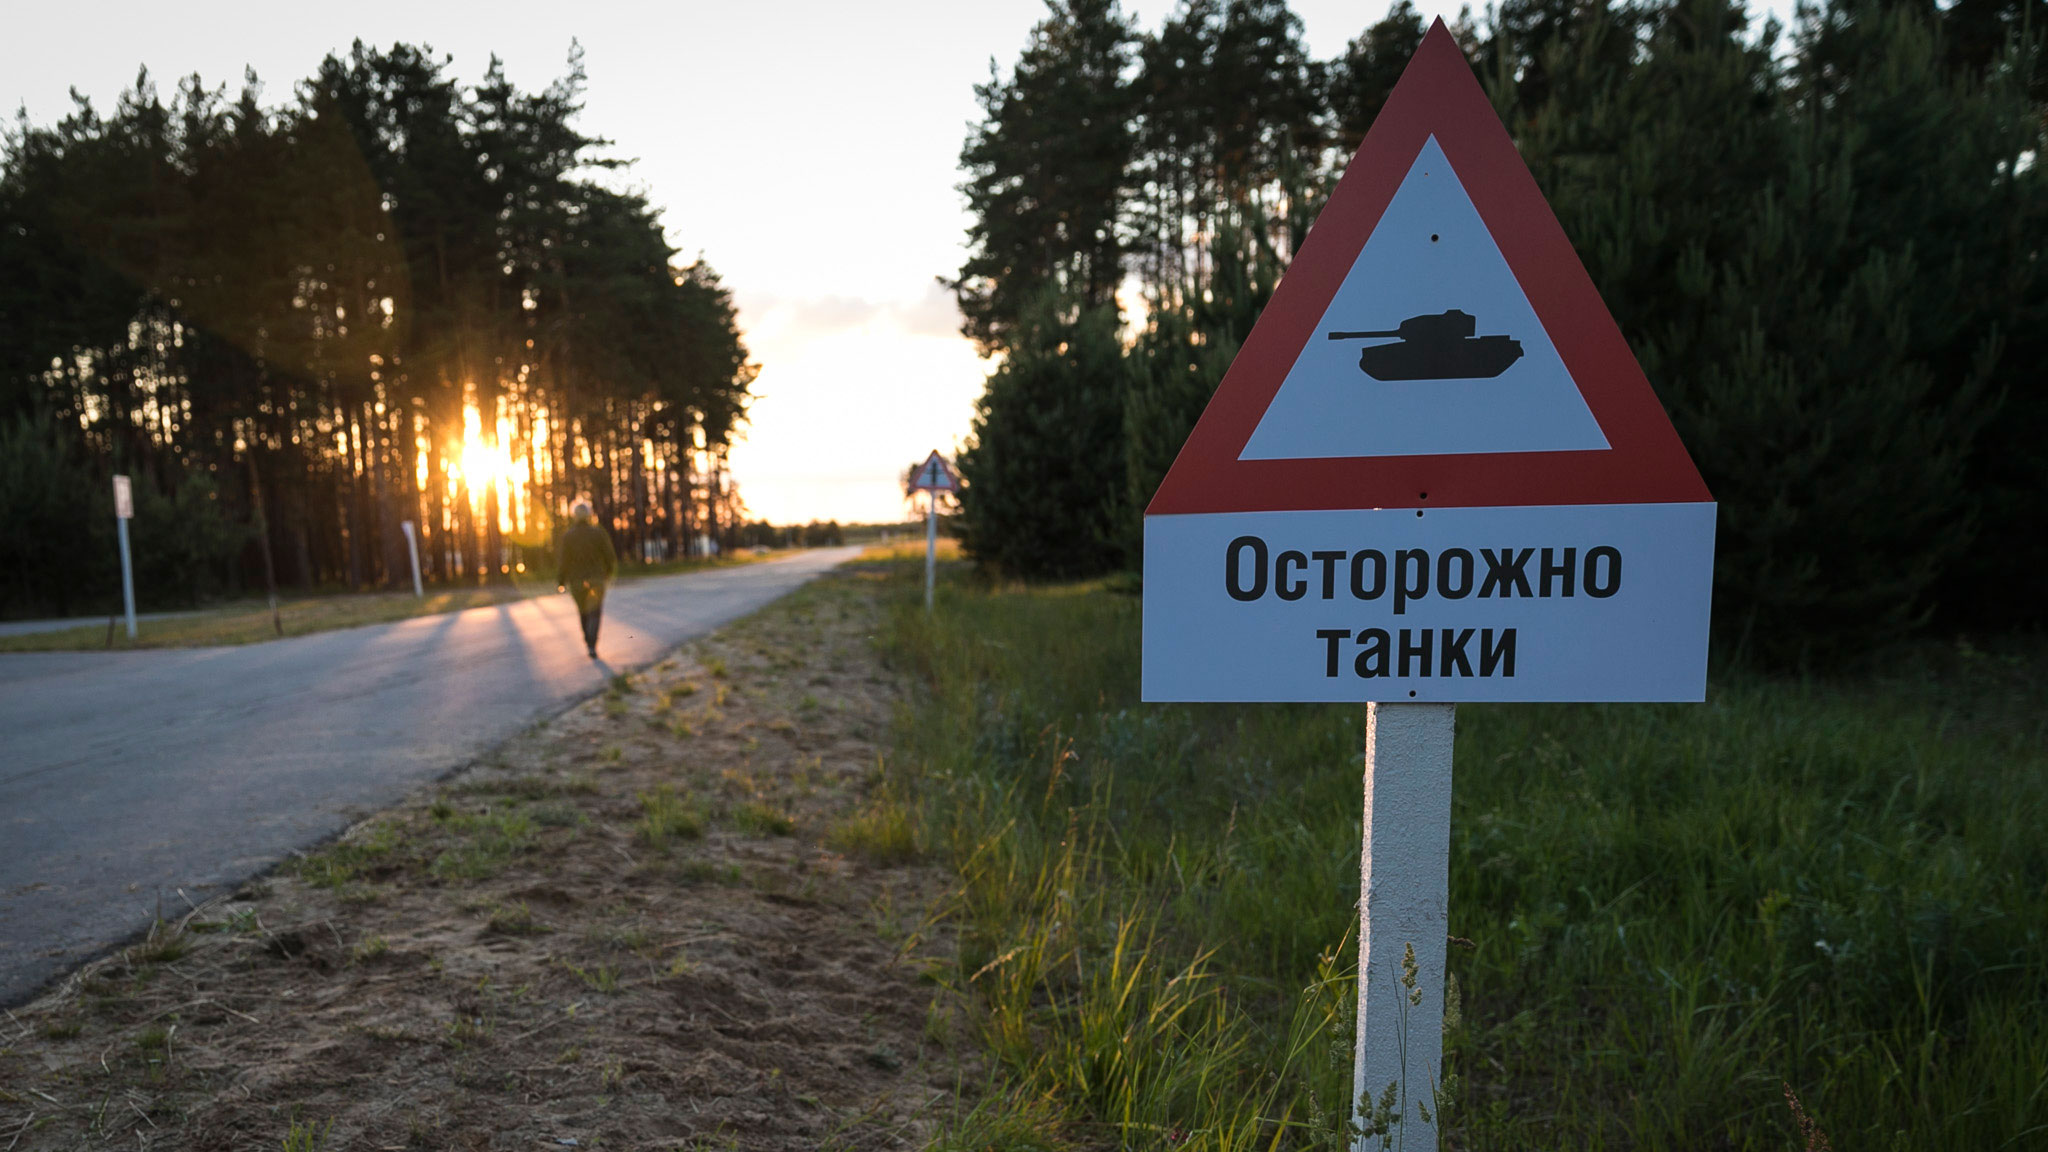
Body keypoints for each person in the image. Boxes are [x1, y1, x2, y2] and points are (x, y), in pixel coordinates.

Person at [556, 500, 617, 659]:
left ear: (574, 516)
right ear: (589, 514)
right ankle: (592, 644)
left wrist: (561, 581)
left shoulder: (568, 536)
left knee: (583, 612)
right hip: (596, 580)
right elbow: (609, 556)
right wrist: (608, 573)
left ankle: (587, 641)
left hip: (576, 582)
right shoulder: (598, 533)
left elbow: (564, 561)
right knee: (594, 613)